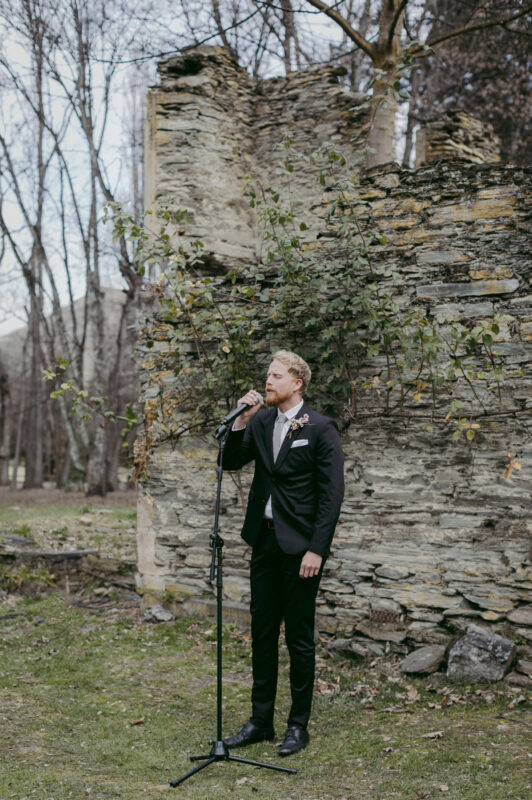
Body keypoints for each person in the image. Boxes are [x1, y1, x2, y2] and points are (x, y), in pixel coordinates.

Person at [221, 350, 344, 756]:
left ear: (298, 383)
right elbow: (230, 461)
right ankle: (260, 721)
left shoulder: (321, 428)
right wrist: (241, 419)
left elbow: (331, 496)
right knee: (262, 633)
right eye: (267, 375)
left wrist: (317, 550)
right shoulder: (261, 422)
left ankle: (297, 725)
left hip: (301, 550)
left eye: (276, 376)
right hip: (265, 541)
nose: (268, 381)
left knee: (299, 638)